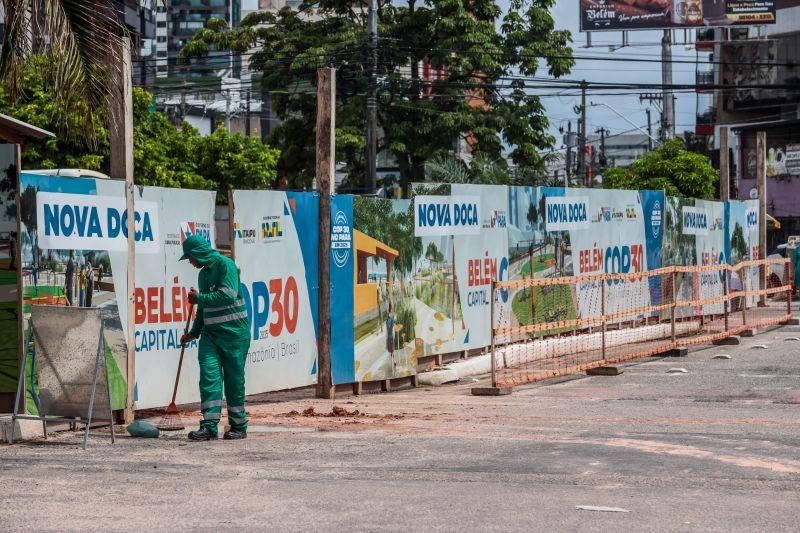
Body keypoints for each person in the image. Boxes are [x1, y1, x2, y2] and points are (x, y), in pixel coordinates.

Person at [179, 234, 251, 441]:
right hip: (210, 336)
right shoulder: (203, 275)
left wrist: (199, 297)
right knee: (209, 378)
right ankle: (209, 426)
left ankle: (239, 426)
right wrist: (194, 331)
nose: (191, 262)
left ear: (199, 253)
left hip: (234, 336)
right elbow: (203, 307)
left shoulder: (225, 265)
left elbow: (227, 294)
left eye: (190, 257)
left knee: (234, 382)